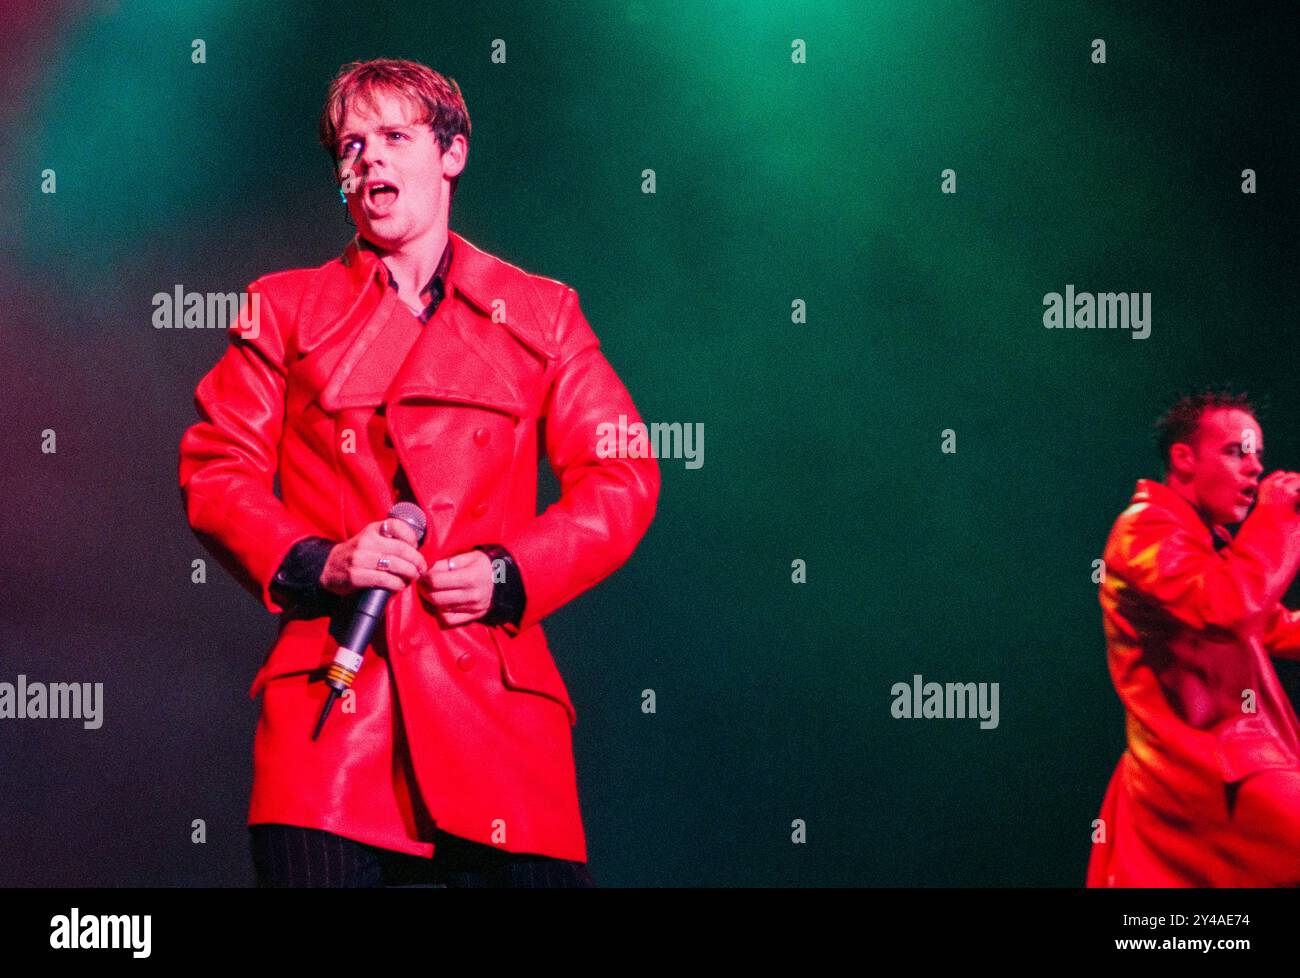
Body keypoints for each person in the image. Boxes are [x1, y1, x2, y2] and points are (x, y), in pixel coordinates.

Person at [178, 58, 660, 887]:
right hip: (334, 729)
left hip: (498, 726)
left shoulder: (540, 313)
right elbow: (218, 467)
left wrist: (511, 573)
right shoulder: (284, 308)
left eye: (394, 137)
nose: (368, 160)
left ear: (452, 154)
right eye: (352, 145)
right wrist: (324, 559)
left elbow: (622, 473)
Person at [1087, 390, 1300, 887]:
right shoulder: (1144, 530)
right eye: (1236, 452)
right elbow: (1228, 610)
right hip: (1208, 769)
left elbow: (1269, 624)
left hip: (1225, 767)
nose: (1255, 469)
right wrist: (1275, 519)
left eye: (1258, 456)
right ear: (1184, 458)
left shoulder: (1202, 542)